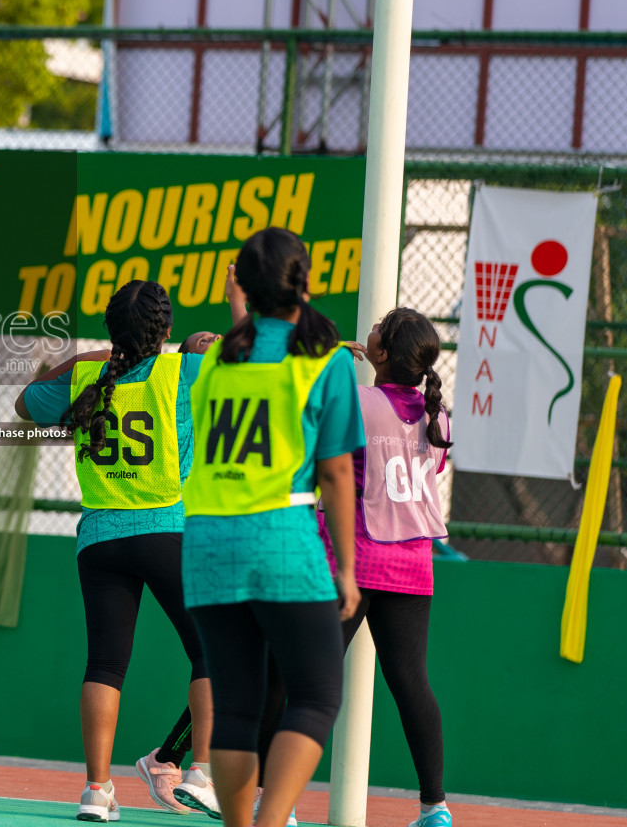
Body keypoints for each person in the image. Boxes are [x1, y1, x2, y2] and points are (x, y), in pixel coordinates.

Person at [13, 280, 224, 822]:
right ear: (167, 331)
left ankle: (96, 791)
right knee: (211, 653)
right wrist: (209, 342)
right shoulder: (183, 372)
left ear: (111, 333)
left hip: (100, 537)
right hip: (165, 529)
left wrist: (92, 355)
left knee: (106, 662)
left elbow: (24, 402)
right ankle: (199, 771)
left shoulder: (87, 375)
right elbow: (257, 365)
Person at [181, 229, 364, 827]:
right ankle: (269, 821)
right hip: (280, 537)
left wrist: (241, 308)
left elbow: (251, 347)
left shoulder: (213, 361)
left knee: (235, 708)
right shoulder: (326, 361)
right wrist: (346, 568)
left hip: (207, 542)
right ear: (303, 283)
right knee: (315, 695)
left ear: (245, 290)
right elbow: (336, 473)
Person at [256, 308, 454, 827]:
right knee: (412, 682)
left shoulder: (357, 400)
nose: (373, 325)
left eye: (381, 326)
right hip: (412, 566)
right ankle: (435, 808)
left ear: (383, 353)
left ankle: (276, 801)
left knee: (294, 676)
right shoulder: (439, 416)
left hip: (352, 559)